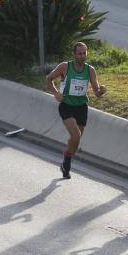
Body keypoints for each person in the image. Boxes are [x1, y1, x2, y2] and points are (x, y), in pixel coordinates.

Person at [46, 42, 106, 179]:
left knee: (75, 142)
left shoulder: (90, 70)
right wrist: (56, 93)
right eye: (79, 53)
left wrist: (101, 91)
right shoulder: (65, 66)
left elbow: (96, 92)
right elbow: (49, 79)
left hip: (81, 107)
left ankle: (66, 159)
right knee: (76, 135)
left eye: (84, 53)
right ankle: (67, 161)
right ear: (74, 55)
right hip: (66, 105)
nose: (82, 56)